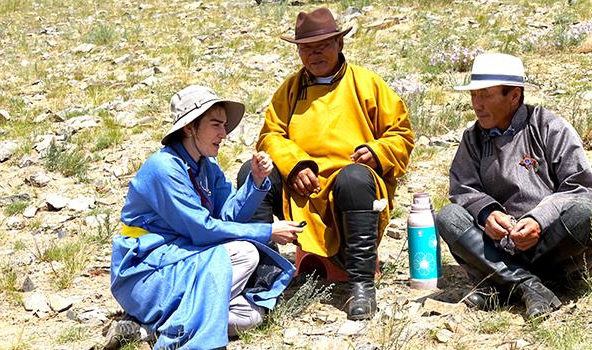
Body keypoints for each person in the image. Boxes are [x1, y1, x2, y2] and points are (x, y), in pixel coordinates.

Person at [235, 7, 414, 320]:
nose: (314, 54)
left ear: (339, 45)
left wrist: (377, 152)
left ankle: (360, 285)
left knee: (355, 178)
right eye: (306, 48)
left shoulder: (367, 84)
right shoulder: (289, 90)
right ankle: (263, 278)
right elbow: (269, 137)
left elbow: (401, 135)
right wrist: (293, 166)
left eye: (322, 46)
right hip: (301, 192)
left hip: (352, 190)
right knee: (252, 174)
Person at [110, 85, 303, 349]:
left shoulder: (205, 164)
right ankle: (171, 318)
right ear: (189, 127)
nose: (224, 133)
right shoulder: (163, 167)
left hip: (181, 261)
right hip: (146, 271)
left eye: (224, 125)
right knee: (245, 254)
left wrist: (256, 181)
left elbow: (228, 214)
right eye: (216, 125)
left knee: (252, 317)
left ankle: (149, 328)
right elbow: (202, 230)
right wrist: (267, 231)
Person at [436, 53, 592, 321]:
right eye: (473, 96)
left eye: (486, 95)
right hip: (500, 247)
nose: (477, 105)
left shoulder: (549, 127)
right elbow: (462, 188)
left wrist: (538, 220)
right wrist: (487, 214)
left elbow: (580, 187)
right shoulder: (473, 138)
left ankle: (504, 283)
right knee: (448, 217)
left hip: (551, 245)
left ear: (514, 96)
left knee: (588, 213)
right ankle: (527, 286)